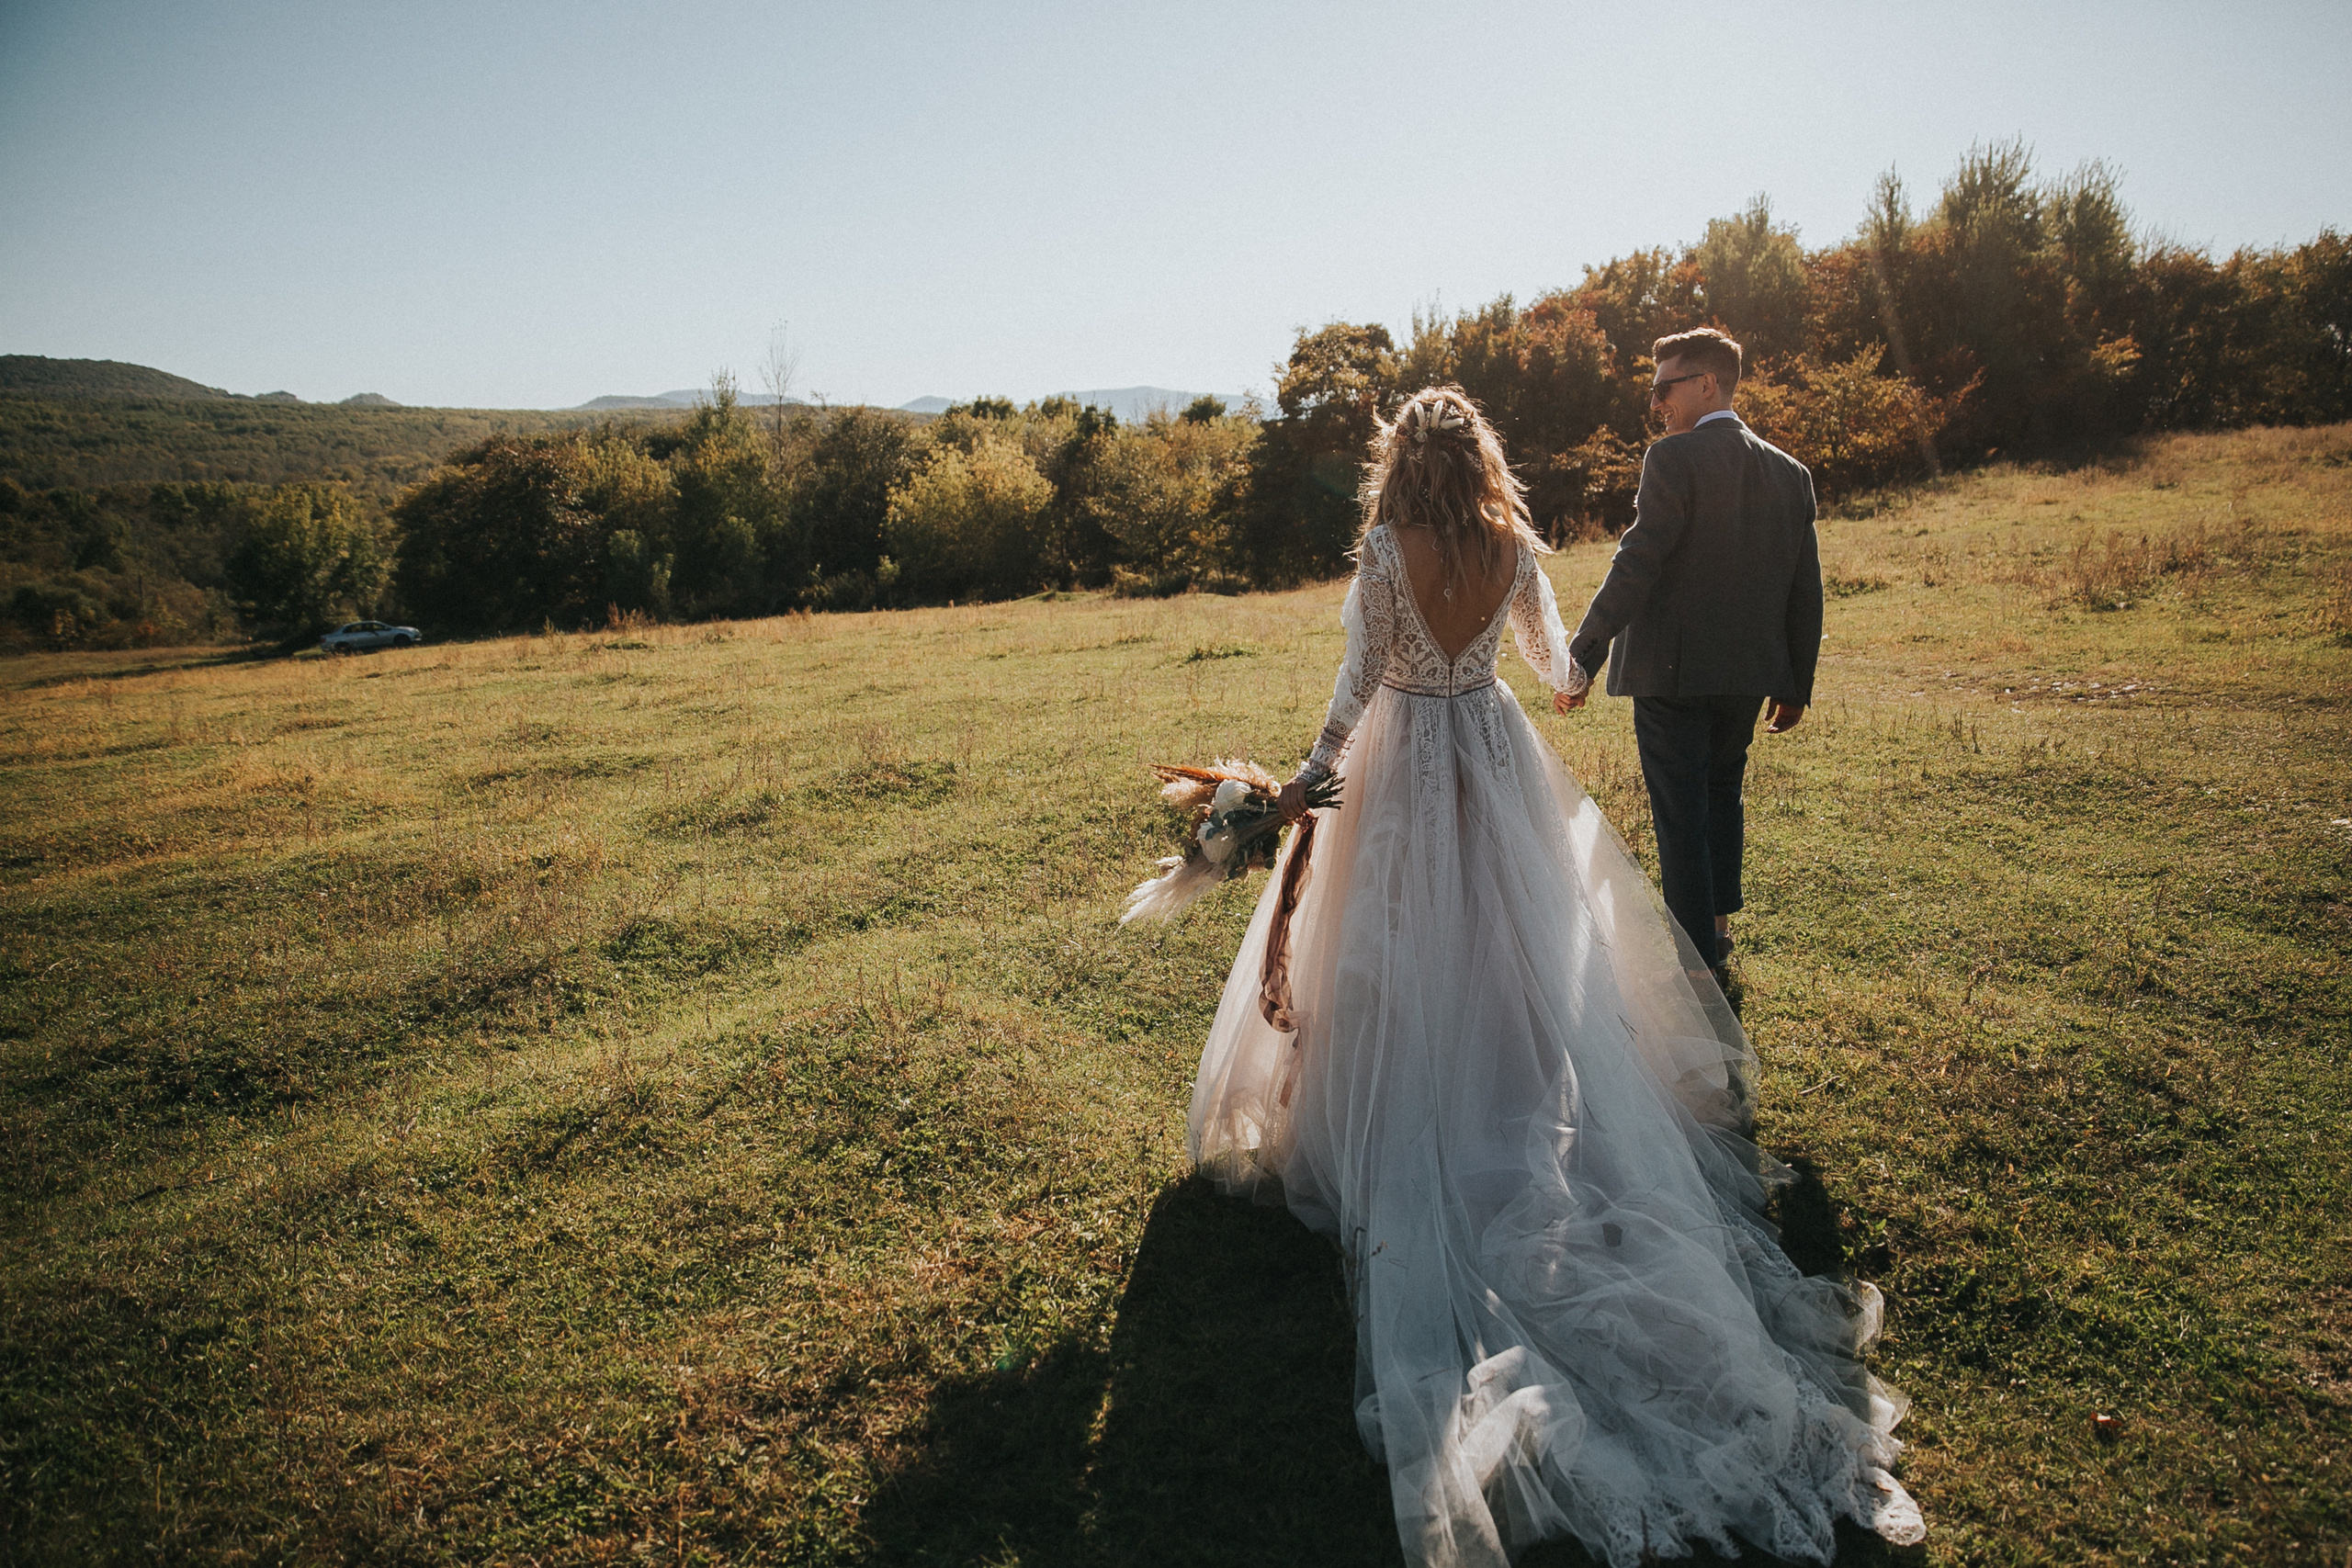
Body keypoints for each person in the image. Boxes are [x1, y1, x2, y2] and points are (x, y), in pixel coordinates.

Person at [1190, 386, 1919, 1566]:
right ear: (1478, 455)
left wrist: (1302, 786)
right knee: (1518, 944)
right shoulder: (1514, 545)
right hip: (1489, 744)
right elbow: (1558, 664)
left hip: (1403, 757)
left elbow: (1356, 688)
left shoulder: (1385, 550)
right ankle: (1515, 1095)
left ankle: (1414, 1113)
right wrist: (1577, 659)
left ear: (1397, 463)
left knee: (1397, 946)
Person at [1565, 327, 1824, 987]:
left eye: (1664, 388)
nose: (1657, 405)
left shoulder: (1672, 461)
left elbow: (1637, 563)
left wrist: (1583, 655)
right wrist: (1796, 680)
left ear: (1706, 384)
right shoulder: (1790, 472)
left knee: (1681, 813)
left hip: (1670, 677)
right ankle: (1715, 931)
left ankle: (1696, 967)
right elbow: (1804, 588)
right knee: (1720, 796)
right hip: (1746, 678)